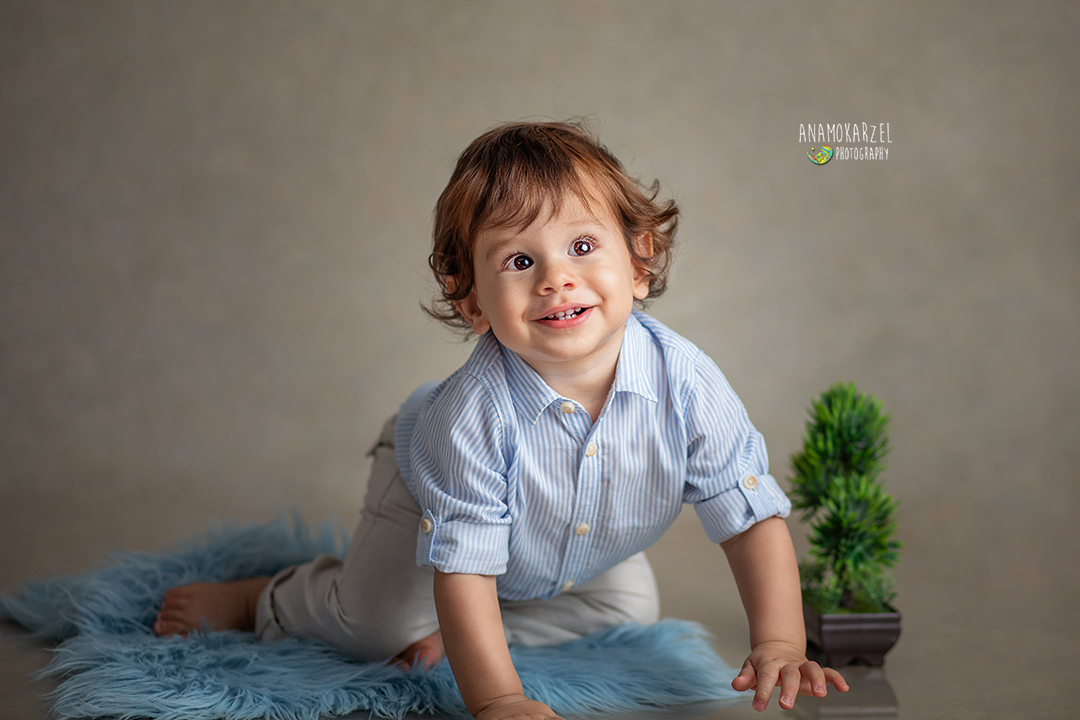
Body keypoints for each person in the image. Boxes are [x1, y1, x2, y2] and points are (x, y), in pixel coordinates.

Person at [153, 121, 848, 719]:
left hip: (566, 533)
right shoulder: (474, 414)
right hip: (429, 480)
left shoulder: (688, 383)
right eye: (520, 260)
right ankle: (267, 601)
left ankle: (466, 634)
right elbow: (463, 568)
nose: (555, 279)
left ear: (640, 262)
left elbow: (749, 516)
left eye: (582, 248)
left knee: (629, 608)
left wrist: (780, 642)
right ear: (474, 302)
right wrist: (497, 700)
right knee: (376, 621)